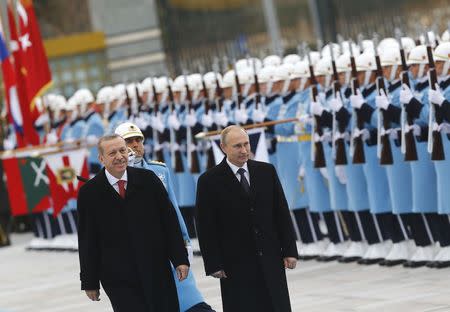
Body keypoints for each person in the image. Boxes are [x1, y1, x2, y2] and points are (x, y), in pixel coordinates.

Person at [77, 134, 189, 312]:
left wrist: (180, 259)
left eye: (122, 150)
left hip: (156, 268)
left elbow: (169, 222)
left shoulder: (149, 180)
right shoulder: (89, 193)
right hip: (118, 277)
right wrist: (89, 281)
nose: (120, 156)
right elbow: (87, 239)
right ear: (101, 158)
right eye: (112, 153)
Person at [195, 125, 298, 312]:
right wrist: (214, 263)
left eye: (246, 144)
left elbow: (281, 212)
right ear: (223, 147)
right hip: (235, 263)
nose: (244, 150)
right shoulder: (209, 181)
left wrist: (289, 249)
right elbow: (205, 226)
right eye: (237, 146)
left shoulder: (266, 171)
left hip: (270, 257)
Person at [115, 121, 215, 311]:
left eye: (138, 140)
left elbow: (173, 209)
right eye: (129, 141)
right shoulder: (116, 179)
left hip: (169, 244)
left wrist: (185, 241)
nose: (135, 145)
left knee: (189, 298)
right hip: (140, 251)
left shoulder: (159, 170)